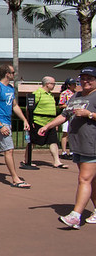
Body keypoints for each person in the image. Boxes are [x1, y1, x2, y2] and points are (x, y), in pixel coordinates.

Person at [39, 67, 96, 229]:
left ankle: (75, 216)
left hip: (93, 145)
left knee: (84, 179)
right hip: (78, 145)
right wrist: (48, 126)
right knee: (92, 181)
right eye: (83, 78)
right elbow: (64, 115)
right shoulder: (76, 96)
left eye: (90, 78)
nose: (85, 81)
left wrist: (89, 114)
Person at [23, 76, 67, 170]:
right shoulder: (38, 93)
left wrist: (54, 123)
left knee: (53, 141)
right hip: (38, 121)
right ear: (47, 84)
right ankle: (27, 159)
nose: (54, 85)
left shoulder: (50, 94)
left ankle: (57, 161)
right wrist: (30, 121)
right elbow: (29, 108)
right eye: (53, 83)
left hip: (50, 123)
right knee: (33, 141)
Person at [59, 78, 77, 159]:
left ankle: (72, 151)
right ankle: (63, 151)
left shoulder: (76, 94)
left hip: (74, 114)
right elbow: (61, 105)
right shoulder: (64, 93)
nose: (75, 85)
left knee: (73, 132)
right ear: (69, 85)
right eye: (73, 84)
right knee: (65, 133)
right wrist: (70, 105)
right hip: (67, 113)